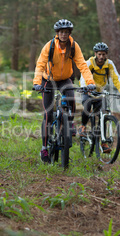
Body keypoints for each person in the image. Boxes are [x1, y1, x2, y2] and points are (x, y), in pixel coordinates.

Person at [33, 19, 96, 163]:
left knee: (71, 99)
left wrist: (90, 82)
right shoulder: (49, 46)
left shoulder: (73, 46)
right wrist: (37, 83)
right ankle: (44, 149)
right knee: (48, 114)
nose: (63, 34)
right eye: (61, 32)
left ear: (69, 33)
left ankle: (69, 124)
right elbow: (40, 65)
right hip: (48, 80)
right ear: (57, 33)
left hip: (65, 79)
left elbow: (82, 65)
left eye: (66, 32)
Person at [78, 42, 120, 153]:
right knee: (87, 105)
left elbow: (116, 78)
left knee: (103, 115)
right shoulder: (89, 63)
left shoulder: (109, 64)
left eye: (104, 54)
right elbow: (83, 76)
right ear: (95, 54)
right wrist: (84, 87)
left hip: (101, 92)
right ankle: (83, 126)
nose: (101, 57)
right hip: (88, 89)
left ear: (106, 55)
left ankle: (103, 142)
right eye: (99, 54)